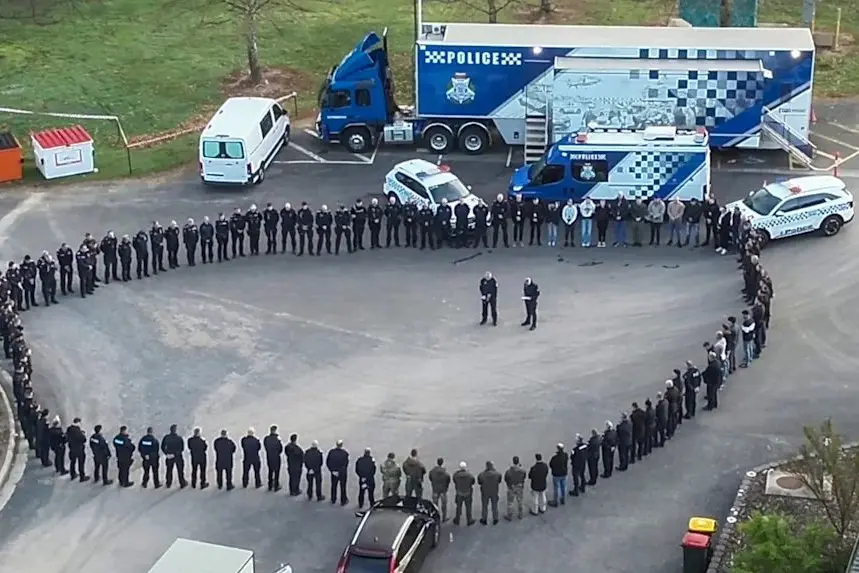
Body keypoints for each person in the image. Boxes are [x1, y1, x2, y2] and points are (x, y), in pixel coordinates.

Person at [162, 424, 188, 488]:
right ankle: (182, 483)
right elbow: (182, 448)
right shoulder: (179, 438)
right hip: (177, 456)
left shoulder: (166, 437)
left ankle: (168, 483)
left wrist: (166, 453)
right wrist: (175, 454)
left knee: (169, 470)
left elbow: (162, 446)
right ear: (175, 430)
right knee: (180, 470)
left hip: (169, 456)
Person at [477, 460, 502, 525]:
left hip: (485, 492)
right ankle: (495, 519)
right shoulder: (498, 474)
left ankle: (484, 519)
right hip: (494, 492)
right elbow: (499, 481)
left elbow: (479, 482)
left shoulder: (481, 475)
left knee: (484, 506)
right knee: (494, 506)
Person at [452, 461, 476, 526]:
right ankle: (469, 520)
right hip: (467, 492)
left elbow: (454, 480)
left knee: (458, 507)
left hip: (459, 492)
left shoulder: (456, 475)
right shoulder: (469, 475)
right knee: (468, 507)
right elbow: (473, 482)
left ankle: (457, 519)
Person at [326, 440, 350, 505]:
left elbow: (328, 462)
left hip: (334, 472)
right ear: (342, 445)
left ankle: (333, 499)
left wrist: (332, 470)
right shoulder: (345, 453)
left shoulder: (331, 452)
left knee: (333, 486)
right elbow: (345, 464)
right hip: (342, 473)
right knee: (343, 486)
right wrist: (340, 471)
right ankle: (343, 500)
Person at [66, 417, 88, 482]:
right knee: (81, 462)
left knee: (72, 461)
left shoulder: (69, 428)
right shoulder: (78, 431)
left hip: (71, 448)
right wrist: (83, 434)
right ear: (78, 422)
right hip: (79, 449)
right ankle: (82, 476)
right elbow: (83, 440)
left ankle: (72, 474)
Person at [263, 425, 283, 491]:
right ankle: (276, 486)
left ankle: (270, 485)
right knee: (277, 472)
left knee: (270, 471)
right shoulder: (277, 439)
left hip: (269, 457)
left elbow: (265, 446)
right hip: (276, 457)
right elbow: (280, 449)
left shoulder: (266, 439)